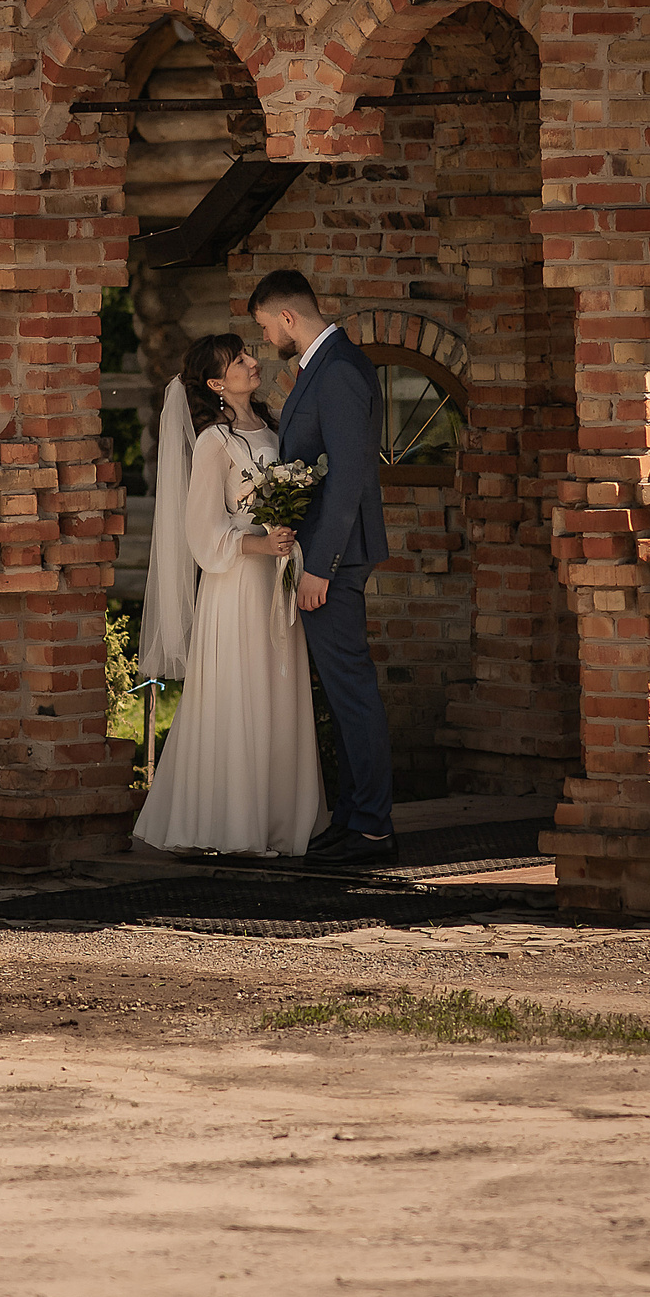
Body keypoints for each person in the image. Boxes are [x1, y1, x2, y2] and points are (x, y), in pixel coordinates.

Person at [130, 334, 328, 857]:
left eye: (246, 353)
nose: (250, 362)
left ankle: (280, 820)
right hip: (239, 581)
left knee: (278, 688)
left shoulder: (274, 426)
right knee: (242, 688)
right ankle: (233, 822)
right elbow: (201, 529)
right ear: (217, 383)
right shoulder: (216, 441)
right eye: (237, 361)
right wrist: (259, 543)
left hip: (277, 578)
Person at [248, 268, 398, 865]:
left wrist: (323, 567)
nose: (266, 341)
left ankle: (372, 828)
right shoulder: (327, 366)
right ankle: (353, 815)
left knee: (352, 689)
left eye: (266, 326)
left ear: (288, 317)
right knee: (339, 691)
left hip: (336, 557)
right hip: (323, 555)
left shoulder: (337, 371)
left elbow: (350, 478)